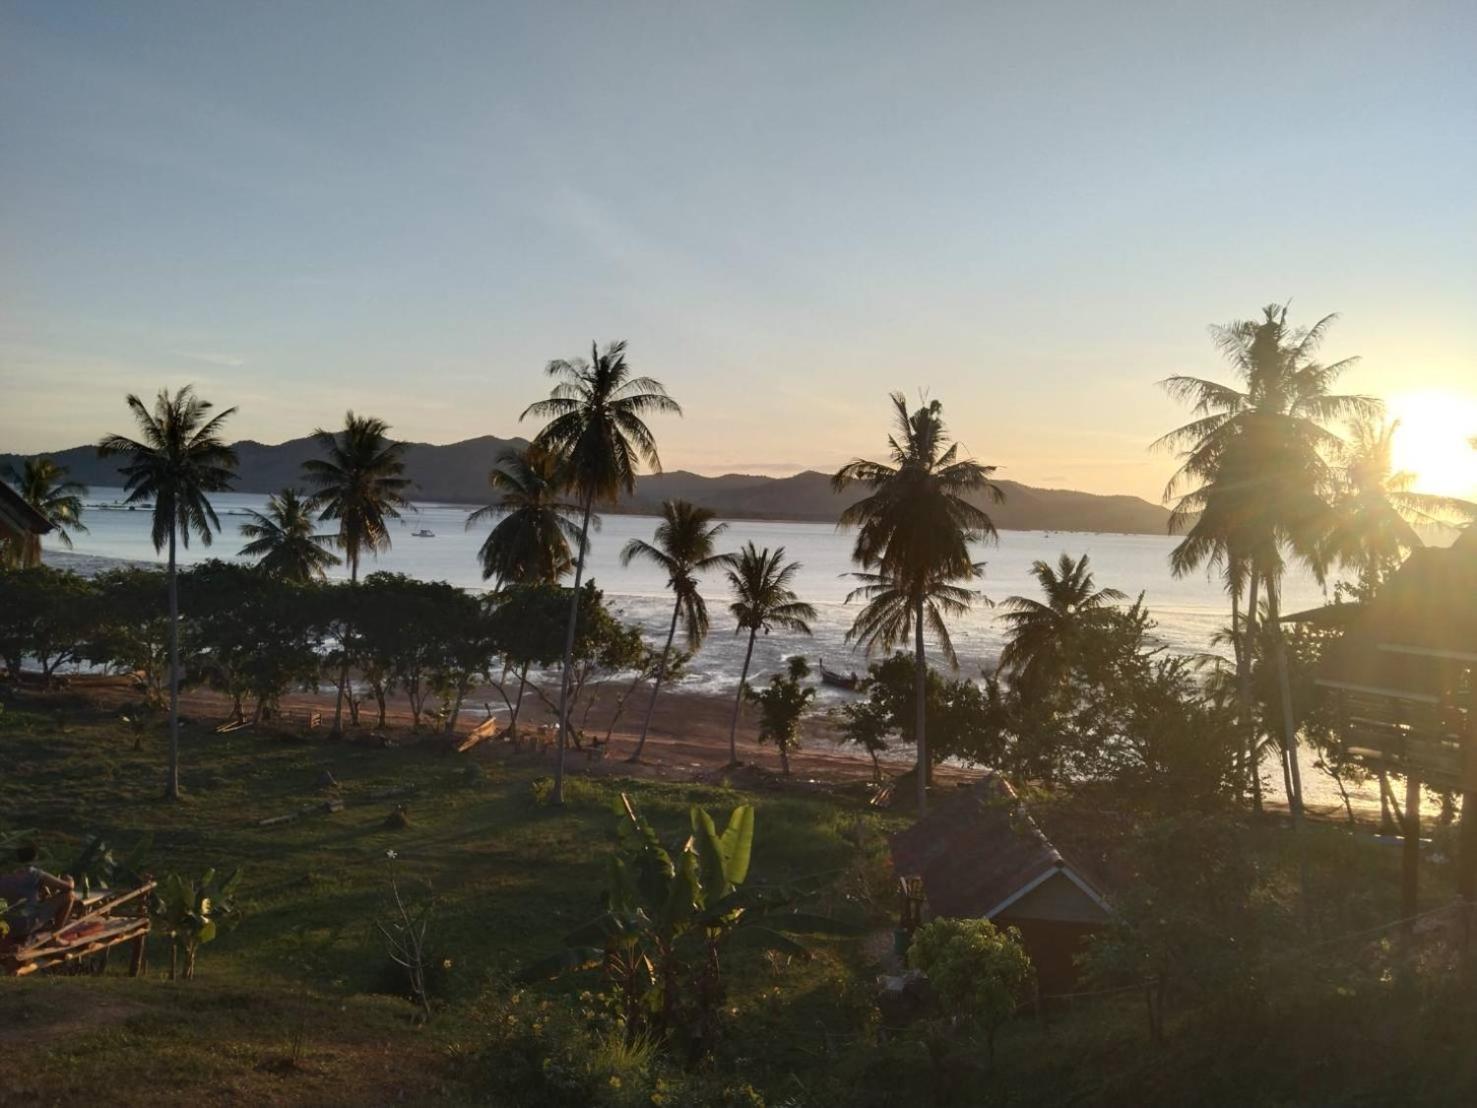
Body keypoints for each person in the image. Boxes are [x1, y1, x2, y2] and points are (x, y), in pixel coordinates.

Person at [0, 843, 78, 940]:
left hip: (5, 925)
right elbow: (68, 887)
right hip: (26, 923)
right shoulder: (34, 873)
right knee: (70, 895)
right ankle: (55, 937)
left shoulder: (5, 873)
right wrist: (70, 879)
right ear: (35, 858)